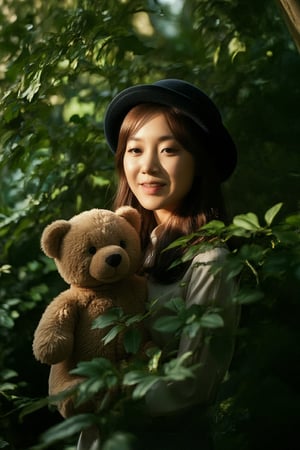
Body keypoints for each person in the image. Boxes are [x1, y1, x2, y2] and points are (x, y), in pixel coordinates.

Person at [76, 79, 239, 450]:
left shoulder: (209, 261)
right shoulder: (119, 253)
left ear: (199, 160)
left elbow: (191, 385)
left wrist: (107, 396)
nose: (147, 167)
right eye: (134, 150)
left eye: (169, 150)